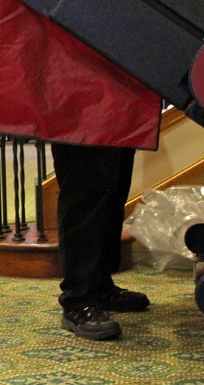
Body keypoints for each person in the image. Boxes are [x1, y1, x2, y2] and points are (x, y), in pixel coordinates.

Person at [52, 142, 150, 341]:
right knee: (83, 189)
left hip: (116, 112)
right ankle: (79, 298)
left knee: (114, 189)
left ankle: (101, 286)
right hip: (78, 115)